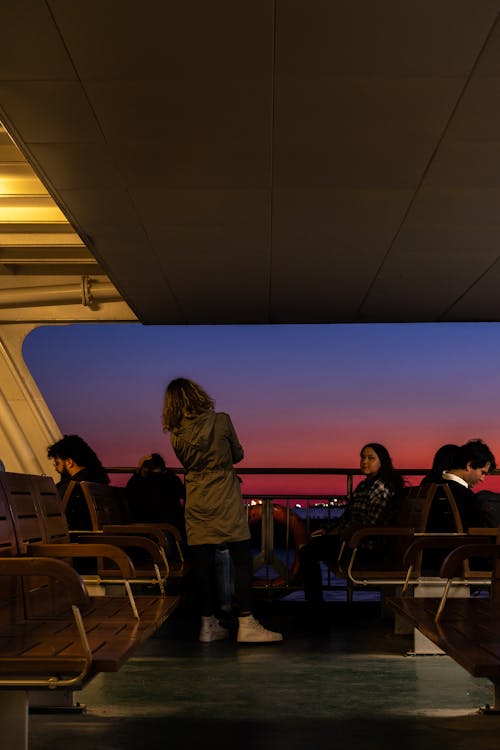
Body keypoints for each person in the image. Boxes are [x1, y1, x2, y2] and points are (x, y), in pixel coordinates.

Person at [162, 377, 282, 644]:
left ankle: (207, 625)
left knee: (203, 562)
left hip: (196, 496)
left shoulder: (176, 434)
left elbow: (189, 462)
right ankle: (246, 623)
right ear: (198, 395)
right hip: (224, 494)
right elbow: (237, 455)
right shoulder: (222, 421)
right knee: (241, 558)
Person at [298, 442, 404, 610]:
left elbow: (372, 523)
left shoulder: (380, 486)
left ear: (381, 462)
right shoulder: (364, 485)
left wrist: (343, 533)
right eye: (362, 458)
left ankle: (314, 608)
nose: (364, 462)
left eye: (371, 458)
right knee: (310, 549)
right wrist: (328, 530)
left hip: (365, 547)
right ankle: (314, 605)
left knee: (308, 553)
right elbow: (347, 517)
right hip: (353, 540)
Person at [426, 439, 496, 532]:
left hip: (426, 542)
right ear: (469, 465)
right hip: (457, 545)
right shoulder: (464, 495)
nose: (482, 479)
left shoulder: (430, 484)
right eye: (482, 472)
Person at [47, 434, 110, 530]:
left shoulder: (72, 486)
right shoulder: (97, 479)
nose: (56, 469)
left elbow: (50, 510)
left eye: (57, 463)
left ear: (69, 462)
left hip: (79, 539)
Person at [125, 453, 186, 537]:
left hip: (146, 528)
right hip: (170, 528)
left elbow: (129, 495)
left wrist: (138, 471)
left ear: (145, 469)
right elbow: (182, 493)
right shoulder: (171, 480)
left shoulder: (138, 483)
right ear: (162, 467)